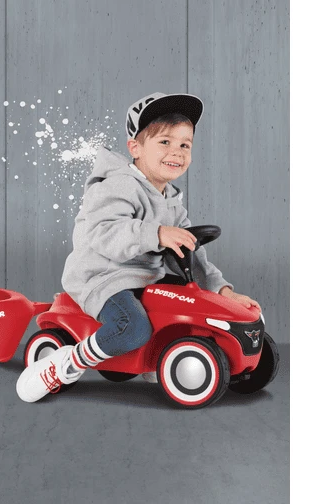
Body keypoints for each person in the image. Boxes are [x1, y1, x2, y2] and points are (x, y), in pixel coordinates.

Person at [16, 92, 261, 403]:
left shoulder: (171, 199)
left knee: (188, 301)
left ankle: (164, 353)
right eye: (165, 142)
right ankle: (68, 362)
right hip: (104, 277)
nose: (176, 152)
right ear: (135, 148)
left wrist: (222, 291)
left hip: (144, 278)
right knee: (131, 327)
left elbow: (191, 255)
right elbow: (105, 232)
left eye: (185, 145)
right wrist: (156, 234)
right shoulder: (117, 186)